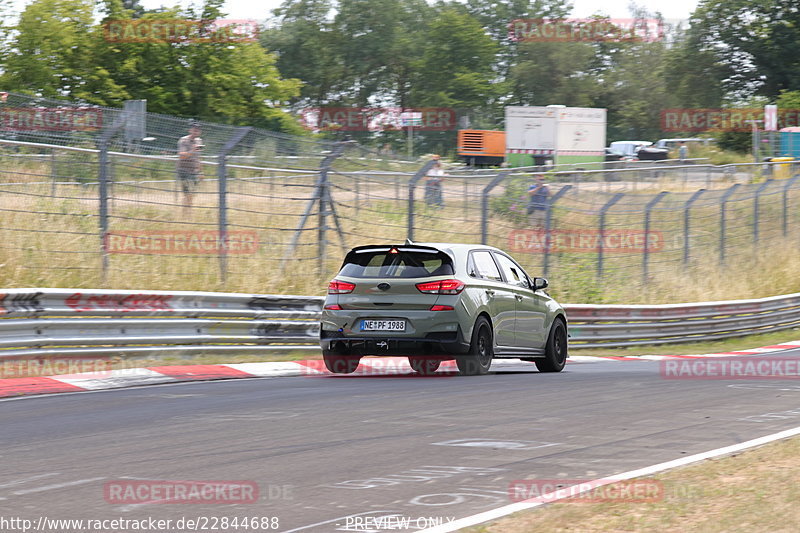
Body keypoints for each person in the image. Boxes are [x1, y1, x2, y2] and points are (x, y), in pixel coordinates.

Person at [177, 121, 204, 210]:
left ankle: (187, 211)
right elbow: (181, 155)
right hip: (184, 170)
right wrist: (192, 151)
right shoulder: (183, 140)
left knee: (192, 194)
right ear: (190, 130)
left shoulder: (199, 141)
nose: (196, 131)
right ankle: (186, 213)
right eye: (194, 130)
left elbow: (198, 157)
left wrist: (201, 171)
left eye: (197, 130)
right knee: (187, 193)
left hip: (194, 171)